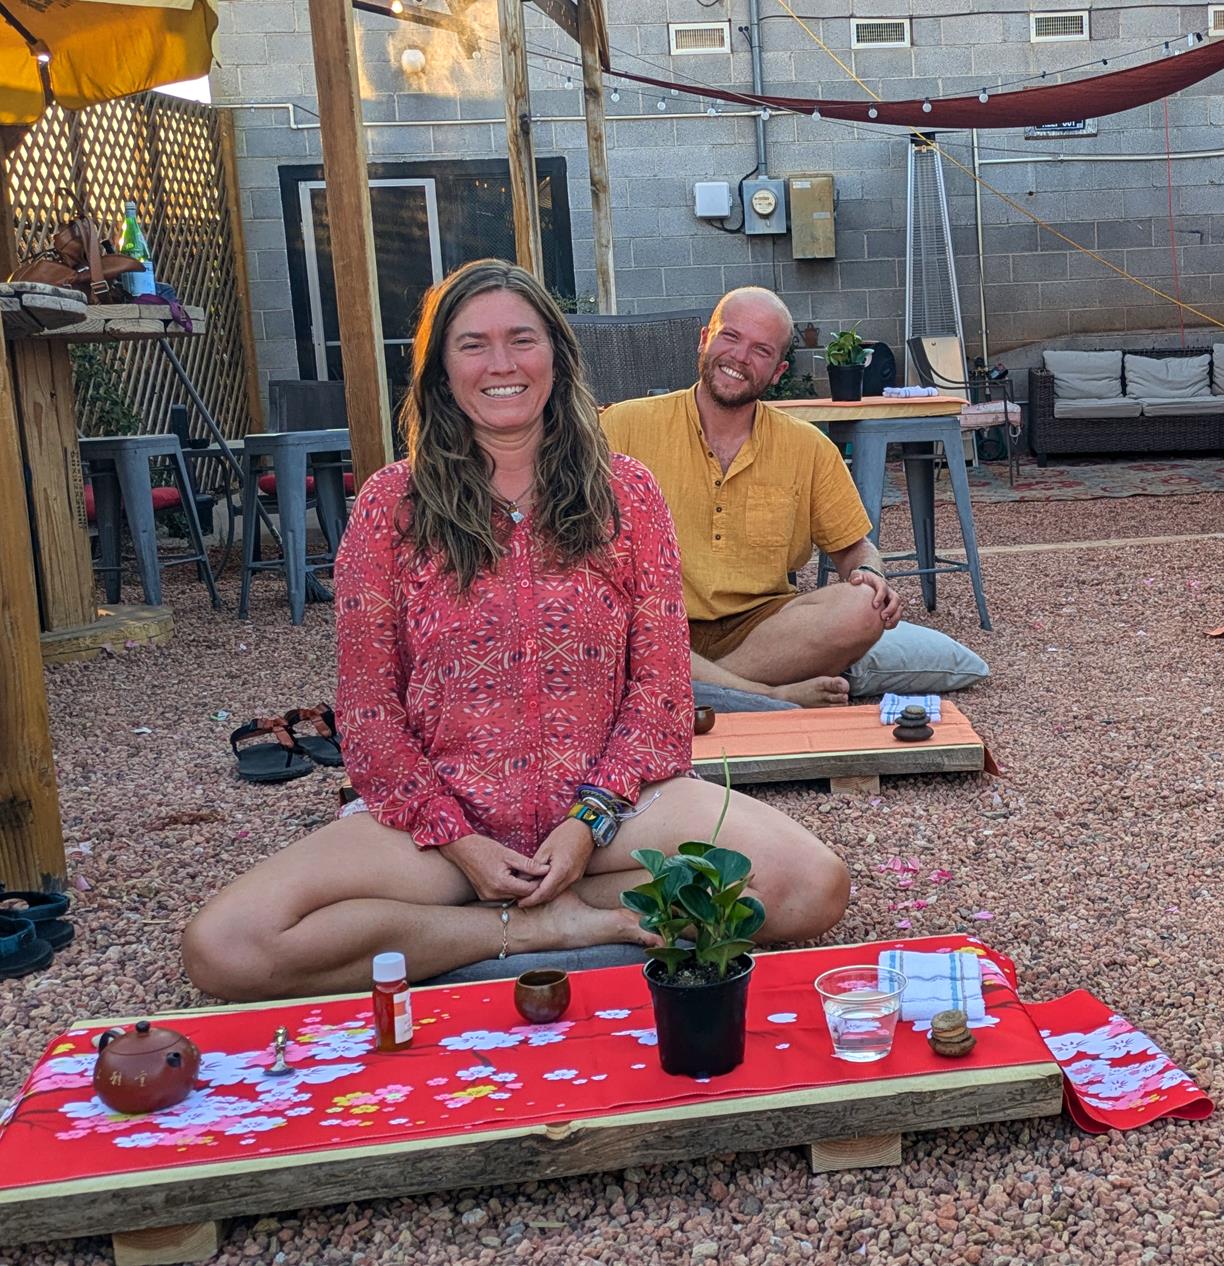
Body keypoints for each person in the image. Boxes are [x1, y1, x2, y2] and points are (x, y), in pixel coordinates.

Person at [183, 261, 848, 1002]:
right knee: (226, 947)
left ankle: (469, 929)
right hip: (444, 823)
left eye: (521, 340)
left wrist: (586, 822)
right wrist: (455, 837)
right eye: (473, 344)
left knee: (811, 886)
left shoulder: (626, 493)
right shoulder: (389, 506)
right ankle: (540, 930)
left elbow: (661, 694)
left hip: (614, 815)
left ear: (556, 356)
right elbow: (369, 713)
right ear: (440, 369)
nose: (501, 364)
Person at [599, 286, 900, 707]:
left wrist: (872, 574)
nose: (739, 357)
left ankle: (705, 690)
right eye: (730, 336)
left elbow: (855, 548)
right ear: (705, 339)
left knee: (864, 607)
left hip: (762, 631)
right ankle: (760, 694)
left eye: (760, 350)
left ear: (778, 371)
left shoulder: (807, 447)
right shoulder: (623, 426)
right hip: (654, 621)